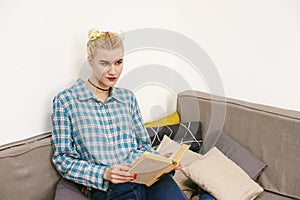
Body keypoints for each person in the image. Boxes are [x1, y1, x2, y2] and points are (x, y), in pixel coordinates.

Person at [51, 29, 188, 200]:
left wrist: (162, 161)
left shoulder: (128, 98)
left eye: (118, 62)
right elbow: (63, 159)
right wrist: (105, 173)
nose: (113, 71)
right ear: (90, 61)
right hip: (110, 188)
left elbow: (142, 146)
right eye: (104, 63)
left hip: (148, 178)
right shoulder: (66, 101)